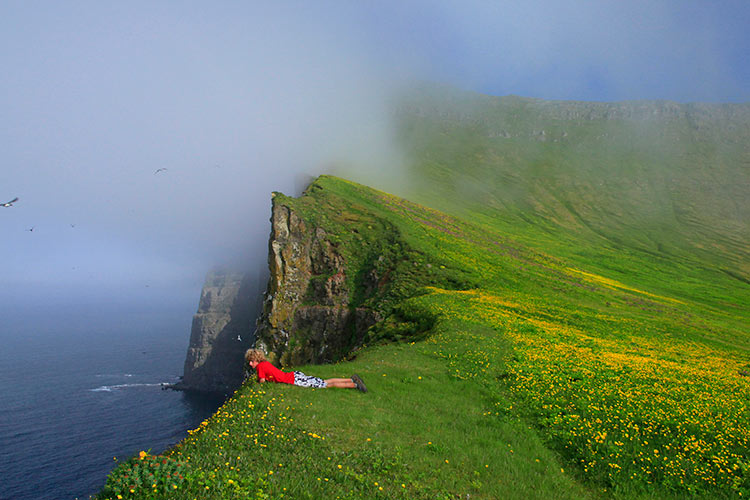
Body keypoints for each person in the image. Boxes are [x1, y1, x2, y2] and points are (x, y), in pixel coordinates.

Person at [244, 348, 367, 392]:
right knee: (324, 381)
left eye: (251, 361)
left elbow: (262, 380)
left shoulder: (260, 367)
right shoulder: (265, 363)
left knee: (325, 385)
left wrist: (259, 387)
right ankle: (351, 379)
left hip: (293, 380)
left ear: (256, 360)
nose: (250, 364)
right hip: (294, 375)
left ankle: (354, 385)